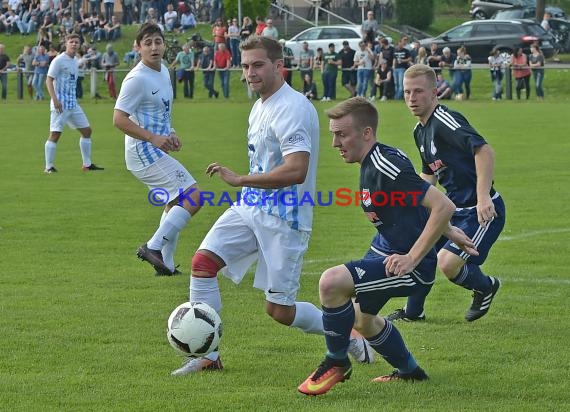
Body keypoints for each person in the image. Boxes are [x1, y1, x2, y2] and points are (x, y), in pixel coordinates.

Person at [171, 36, 372, 376]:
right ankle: (209, 355)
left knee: (279, 311)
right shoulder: (260, 104)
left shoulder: (292, 108)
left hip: (285, 219)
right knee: (202, 263)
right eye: (246, 65)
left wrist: (240, 180)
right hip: (250, 208)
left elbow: (297, 170)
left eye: (258, 65)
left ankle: (347, 329)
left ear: (279, 66)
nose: (250, 72)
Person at [297, 97, 477, 396]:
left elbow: (442, 204)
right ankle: (411, 372)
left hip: (410, 265)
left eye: (341, 134)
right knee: (361, 321)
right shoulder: (374, 162)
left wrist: (412, 258)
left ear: (366, 133)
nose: (334, 143)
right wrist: (448, 231)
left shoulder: (385, 164)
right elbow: (416, 204)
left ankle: (336, 361)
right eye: (333, 134)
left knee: (331, 283)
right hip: (385, 249)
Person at [387, 64, 504, 323]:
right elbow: (429, 175)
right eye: (407, 92)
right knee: (418, 245)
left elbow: (484, 151)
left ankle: (485, 286)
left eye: (418, 91)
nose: (412, 98)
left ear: (434, 92)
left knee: (448, 263)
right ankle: (413, 313)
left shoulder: (445, 121)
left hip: (480, 212)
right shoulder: (419, 131)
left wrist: (483, 196)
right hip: (451, 211)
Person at [113, 23, 202, 277]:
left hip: (154, 148)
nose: (154, 47)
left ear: (164, 45)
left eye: (158, 41)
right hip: (143, 152)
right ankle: (152, 247)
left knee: (175, 201)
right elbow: (119, 119)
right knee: (193, 197)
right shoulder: (136, 79)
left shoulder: (163, 70)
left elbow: (159, 112)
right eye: (148, 42)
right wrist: (152, 138)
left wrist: (170, 133)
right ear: (137, 47)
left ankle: (166, 264)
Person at [44, 34, 104, 173]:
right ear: (66, 43)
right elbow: (48, 80)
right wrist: (55, 100)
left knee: (87, 131)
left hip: (73, 104)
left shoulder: (75, 61)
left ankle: (87, 165)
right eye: (71, 42)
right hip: (60, 105)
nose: (74, 44)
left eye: (77, 42)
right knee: (55, 134)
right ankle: (48, 167)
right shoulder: (58, 60)